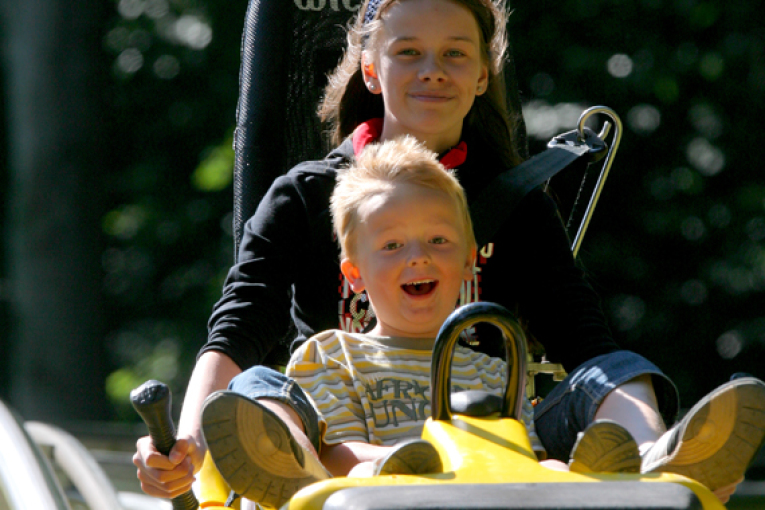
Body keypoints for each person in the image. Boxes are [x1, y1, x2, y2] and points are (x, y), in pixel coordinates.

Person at [133, 0, 765, 505]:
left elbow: (584, 342)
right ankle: (291, 470)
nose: (432, 69)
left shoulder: (515, 204)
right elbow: (237, 331)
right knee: (257, 385)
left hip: (489, 437)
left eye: (454, 54)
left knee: (616, 367)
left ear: (482, 74)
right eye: (408, 52)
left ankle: (659, 464)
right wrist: (183, 447)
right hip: (341, 436)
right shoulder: (306, 196)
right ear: (371, 69)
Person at [202, 136, 573, 508]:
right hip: (370, 497)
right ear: (354, 273)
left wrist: (552, 471)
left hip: (474, 497)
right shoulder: (332, 354)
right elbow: (335, 457)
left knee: (553, 467)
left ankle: (612, 468)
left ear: (467, 261)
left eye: (438, 240)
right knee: (268, 393)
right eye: (392, 245)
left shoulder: (495, 372)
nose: (418, 257)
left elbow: (522, 464)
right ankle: (287, 469)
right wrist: (405, 465)